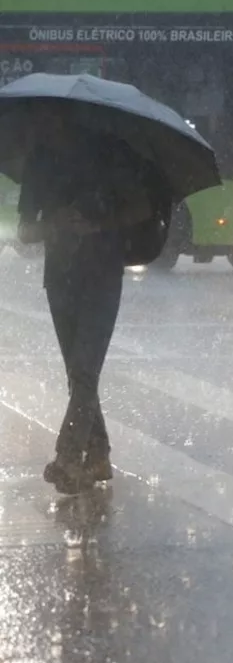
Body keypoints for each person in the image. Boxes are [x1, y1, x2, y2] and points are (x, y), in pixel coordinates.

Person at [16, 108, 154, 494]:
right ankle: (99, 454)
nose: (41, 126)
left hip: (102, 277)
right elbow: (25, 231)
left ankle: (67, 457)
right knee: (79, 374)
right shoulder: (39, 162)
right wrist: (54, 224)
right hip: (59, 280)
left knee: (84, 371)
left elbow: (141, 207)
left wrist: (98, 224)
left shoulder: (109, 155)